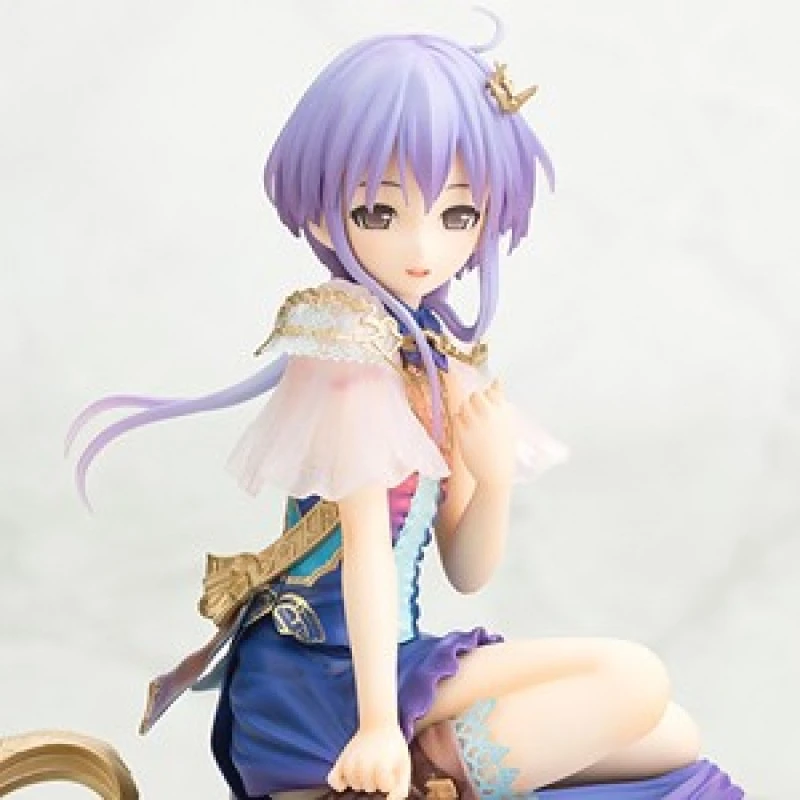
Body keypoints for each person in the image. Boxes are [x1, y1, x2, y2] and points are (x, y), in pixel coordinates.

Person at [67, 15, 745, 800]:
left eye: (457, 215)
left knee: (670, 734)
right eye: (380, 213)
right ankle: (424, 775)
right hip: (323, 679)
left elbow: (466, 569)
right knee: (634, 678)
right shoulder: (345, 354)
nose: (423, 247)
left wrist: (491, 478)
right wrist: (377, 729)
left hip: (396, 660)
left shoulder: (436, 363)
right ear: (323, 212)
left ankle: (439, 763)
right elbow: (364, 550)